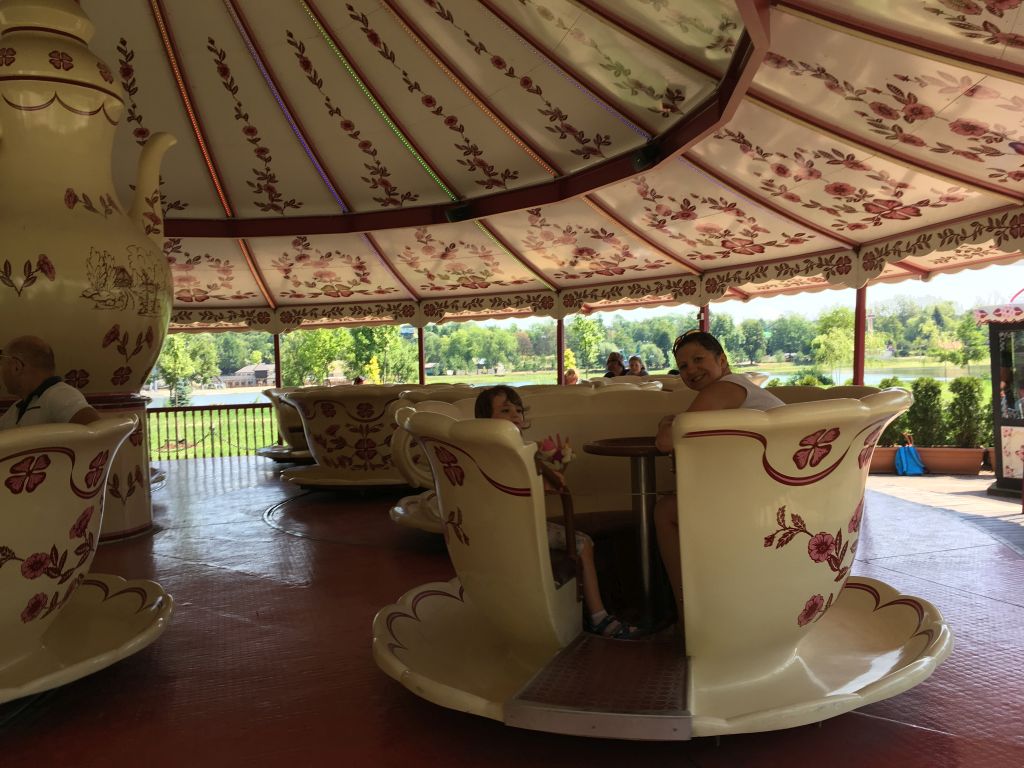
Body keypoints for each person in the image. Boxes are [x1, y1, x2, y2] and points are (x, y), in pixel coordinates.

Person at [474, 386, 639, 639]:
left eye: (518, 410)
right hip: (519, 529)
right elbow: (541, 488)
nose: (515, 415)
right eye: (505, 411)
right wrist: (554, 474)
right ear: (485, 420)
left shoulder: (491, 451)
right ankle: (599, 616)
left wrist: (554, 469)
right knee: (583, 544)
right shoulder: (516, 454)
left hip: (499, 526)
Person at [653, 330, 784, 623]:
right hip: (781, 492)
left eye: (698, 359)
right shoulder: (741, 388)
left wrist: (664, 423)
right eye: (683, 366)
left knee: (665, 511)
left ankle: (686, 613)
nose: (691, 370)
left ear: (722, 361)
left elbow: (666, 442)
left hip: (761, 502)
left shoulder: (722, 390)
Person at [0, 336, 99, 429]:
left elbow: (95, 432)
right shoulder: (16, 408)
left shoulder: (60, 395)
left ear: (16, 367)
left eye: (2, 364)